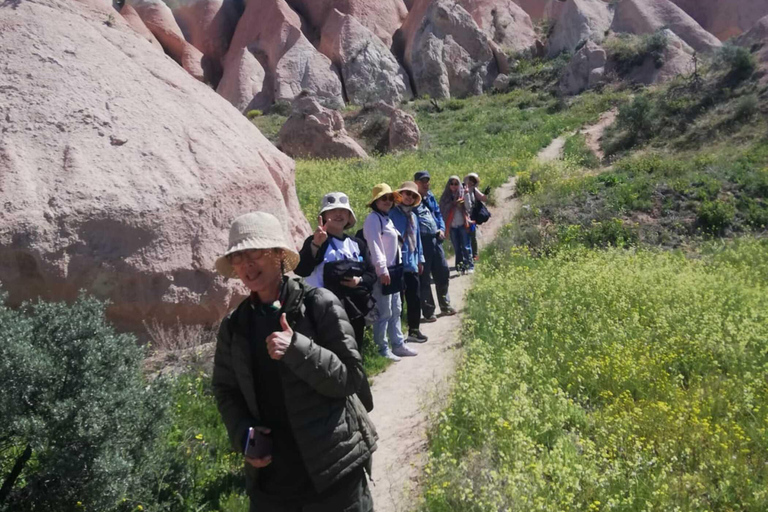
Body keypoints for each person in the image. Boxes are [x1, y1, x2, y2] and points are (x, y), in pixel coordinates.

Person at [212, 212, 377, 512]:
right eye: (238, 257)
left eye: (256, 253)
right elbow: (226, 390)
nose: (247, 265)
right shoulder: (234, 326)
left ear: (278, 255)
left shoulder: (319, 304)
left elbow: (352, 378)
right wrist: (243, 434)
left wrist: (299, 349)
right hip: (272, 487)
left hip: (334, 477)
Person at [295, 192, 376, 355]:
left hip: (355, 310)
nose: (338, 214)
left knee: (355, 352)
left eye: (343, 211)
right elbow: (301, 269)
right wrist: (315, 245)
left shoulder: (357, 244)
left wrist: (359, 280)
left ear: (349, 216)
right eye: (332, 211)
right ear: (324, 216)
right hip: (325, 312)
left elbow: (371, 274)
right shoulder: (316, 241)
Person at [363, 184, 419, 361]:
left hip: (395, 270)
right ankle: (382, 348)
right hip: (384, 272)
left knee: (396, 308)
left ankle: (398, 344)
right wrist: (382, 269)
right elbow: (375, 245)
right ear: (375, 201)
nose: (387, 201)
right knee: (384, 311)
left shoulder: (386, 218)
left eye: (389, 198)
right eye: (383, 198)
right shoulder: (373, 219)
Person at [413, 170, 456, 322]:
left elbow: (438, 214)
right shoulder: (412, 198)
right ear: (416, 183)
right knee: (424, 277)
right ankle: (428, 311)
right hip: (422, 241)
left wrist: (442, 228)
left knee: (443, 272)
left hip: (435, 239)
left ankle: (445, 305)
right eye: (422, 181)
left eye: (427, 181)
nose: (426, 184)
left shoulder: (430, 195)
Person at [388, 181, 428, 343]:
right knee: (397, 302)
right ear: (400, 195)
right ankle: (395, 335)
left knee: (414, 298)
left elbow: (417, 240)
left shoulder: (414, 217)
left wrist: (420, 260)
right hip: (397, 263)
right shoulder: (392, 215)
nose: (409, 198)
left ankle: (414, 330)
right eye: (407, 194)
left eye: (413, 195)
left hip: (411, 263)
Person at [439, 175, 474, 275]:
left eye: (456, 183)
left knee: (466, 246)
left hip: (463, 224)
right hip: (452, 226)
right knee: (457, 248)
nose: (454, 186)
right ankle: (460, 267)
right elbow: (442, 209)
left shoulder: (463, 193)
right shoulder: (446, 196)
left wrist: (466, 196)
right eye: (452, 183)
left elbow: (468, 208)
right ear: (449, 185)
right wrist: (452, 205)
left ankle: (470, 265)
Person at [463, 172, 487, 261]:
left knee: (473, 237)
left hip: (471, 217)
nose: (471, 182)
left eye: (473, 181)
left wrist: (486, 194)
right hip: (462, 216)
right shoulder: (460, 188)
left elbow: (483, 198)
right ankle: (465, 257)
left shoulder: (473, 189)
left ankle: (475, 256)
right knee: (464, 237)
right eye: (470, 180)